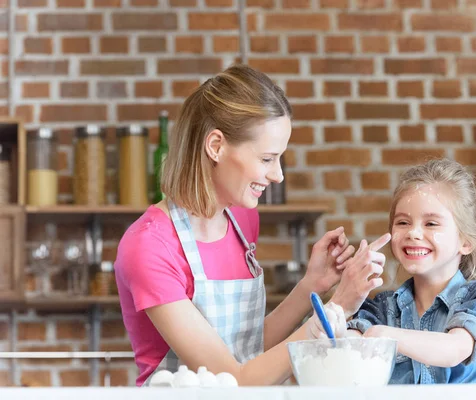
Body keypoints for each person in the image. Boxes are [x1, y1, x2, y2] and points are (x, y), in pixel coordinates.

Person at [114, 64, 369, 386]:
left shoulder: (242, 219)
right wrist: (333, 312)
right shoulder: (149, 246)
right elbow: (233, 381)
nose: (278, 175)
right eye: (266, 159)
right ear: (216, 146)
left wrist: (312, 286)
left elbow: (248, 350)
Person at [322, 158, 476, 384]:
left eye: (431, 224)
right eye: (402, 222)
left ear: (466, 241)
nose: (413, 233)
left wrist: (385, 336)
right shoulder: (381, 309)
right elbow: (346, 356)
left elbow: (453, 349)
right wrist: (337, 322)